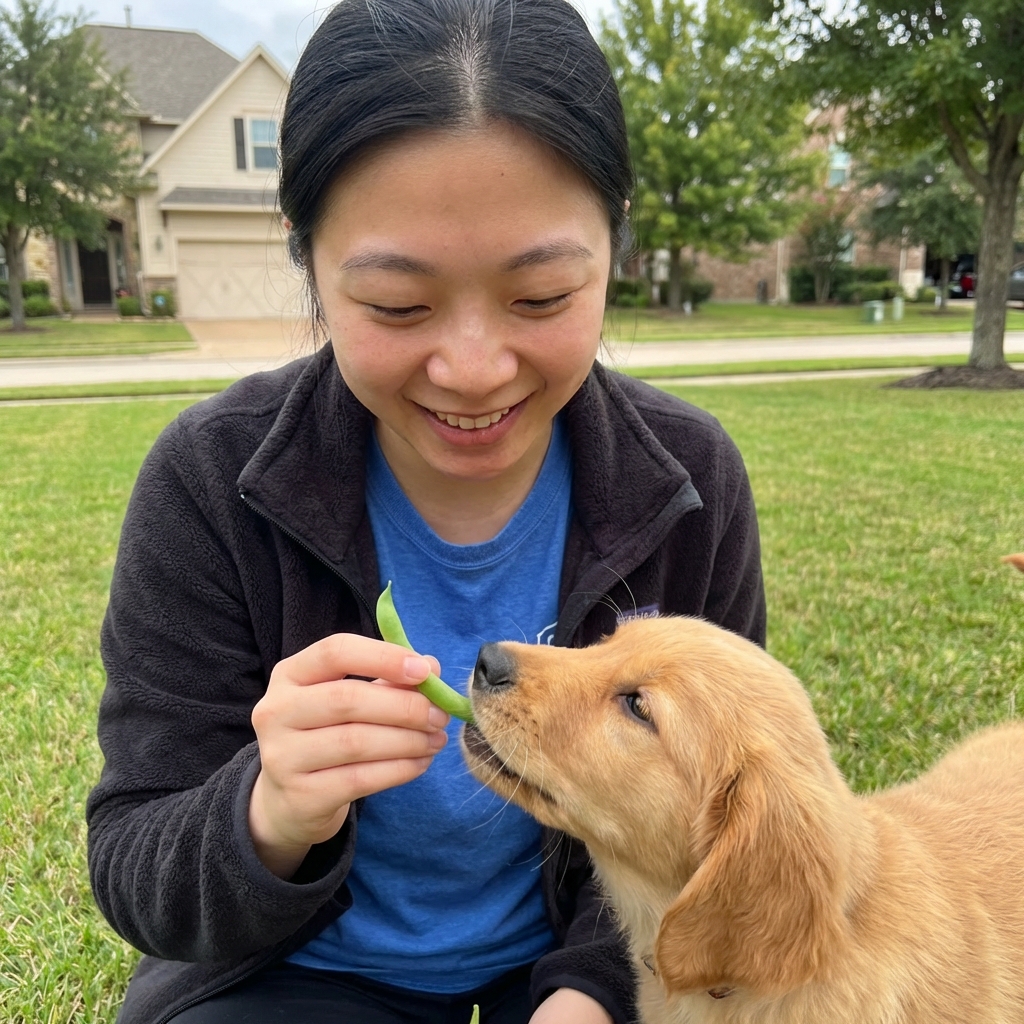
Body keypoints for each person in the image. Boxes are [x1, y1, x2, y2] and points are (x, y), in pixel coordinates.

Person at [86, 0, 766, 1021]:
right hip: (295, 979)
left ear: (612, 245)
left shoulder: (688, 481)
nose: (473, 368)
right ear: (306, 257)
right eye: (397, 307)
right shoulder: (208, 480)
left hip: (585, 972)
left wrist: (587, 993)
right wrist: (266, 810)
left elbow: (705, 832)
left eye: (540, 297)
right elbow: (135, 862)